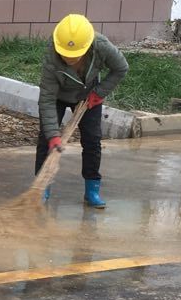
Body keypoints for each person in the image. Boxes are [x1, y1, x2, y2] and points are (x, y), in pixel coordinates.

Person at [37, 12, 128, 209]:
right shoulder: (52, 57)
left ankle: (92, 189)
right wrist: (53, 135)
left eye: (74, 55)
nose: (68, 58)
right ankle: (42, 188)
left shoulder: (101, 46)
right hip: (58, 96)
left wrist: (99, 93)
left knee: (92, 140)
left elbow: (121, 68)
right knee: (45, 140)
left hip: (88, 96)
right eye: (65, 54)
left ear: (86, 47)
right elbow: (47, 99)